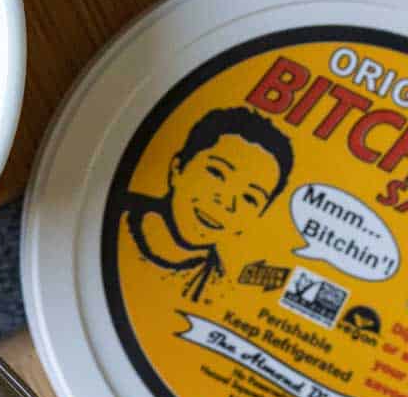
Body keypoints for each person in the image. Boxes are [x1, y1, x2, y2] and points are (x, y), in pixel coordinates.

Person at [118, 105, 294, 302]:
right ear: (177, 169)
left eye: (249, 198)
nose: (227, 203)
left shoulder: (221, 290)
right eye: (217, 173)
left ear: (258, 216)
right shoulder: (107, 217)